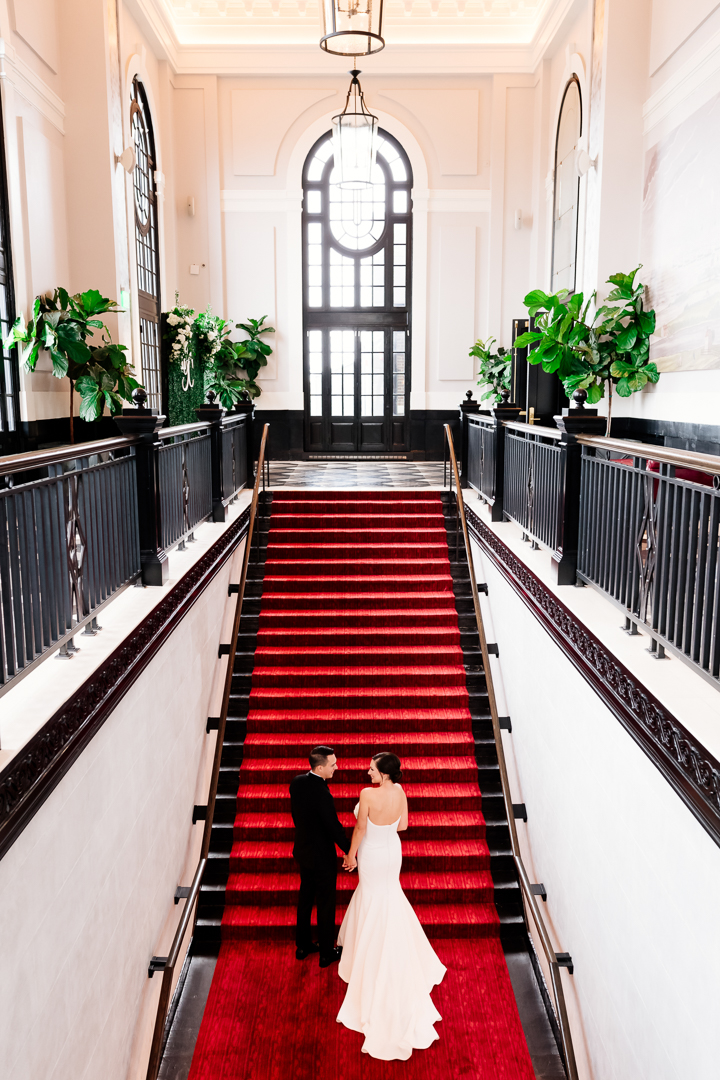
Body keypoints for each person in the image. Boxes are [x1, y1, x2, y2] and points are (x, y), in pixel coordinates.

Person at [336, 752, 447, 1061]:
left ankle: (368, 952)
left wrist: (350, 856)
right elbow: (403, 826)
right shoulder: (399, 791)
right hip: (392, 852)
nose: (367, 771)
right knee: (389, 895)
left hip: (371, 851)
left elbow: (359, 830)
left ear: (383, 773)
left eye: (371, 768)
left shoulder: (368, 794)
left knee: (372, 896)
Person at [288, 745, 351, 968]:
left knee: (305, 899)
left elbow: (299, 816)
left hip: (303, 852)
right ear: (321, 766)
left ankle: (303, 946)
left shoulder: (297, 782)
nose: (336, 767)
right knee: (326, 903)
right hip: (322, 856)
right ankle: (326, 953)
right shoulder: (322, 793)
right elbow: (333, 827)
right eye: (333, 764)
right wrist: (350, 849)